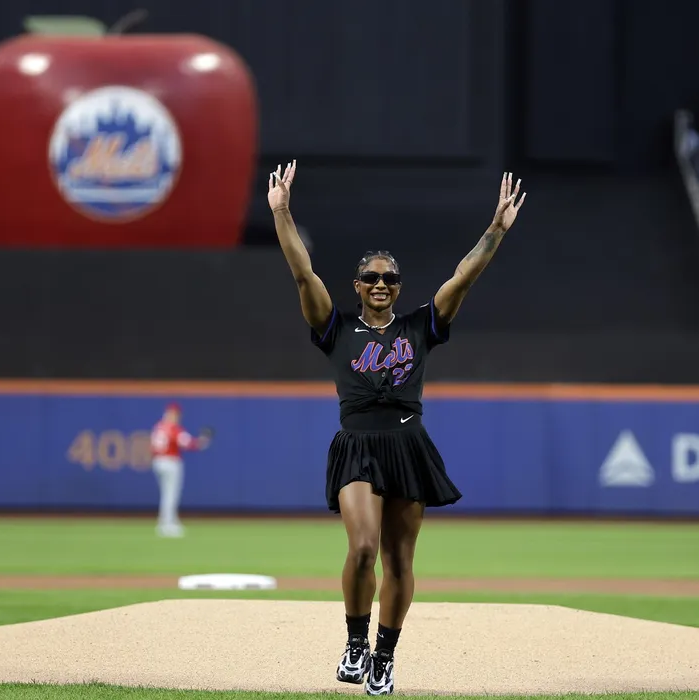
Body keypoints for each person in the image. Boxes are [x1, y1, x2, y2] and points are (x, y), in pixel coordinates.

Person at [267, 161, 525, 695]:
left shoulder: (418, 326)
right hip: (357, 445)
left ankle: (384, 657)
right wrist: (282, 213)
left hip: (408, 444)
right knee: (363, 548)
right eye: (371, 277)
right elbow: (302, 273)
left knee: (400, 560)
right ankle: (355, 644)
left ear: (399, 287)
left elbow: (463, 277)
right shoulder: (335, 327)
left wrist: (496, 230)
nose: (381, 283)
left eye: (389, 278)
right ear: (357, 286)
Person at [149, 403, 212, 538]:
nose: (177, 417)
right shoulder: (173, 428)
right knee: (171, 494)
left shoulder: (158, 426)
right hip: (170, 461)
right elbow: (188, 443)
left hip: (157, 461)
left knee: (166, 494)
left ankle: (168, 521)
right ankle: (167, 524)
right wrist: (203, 441)